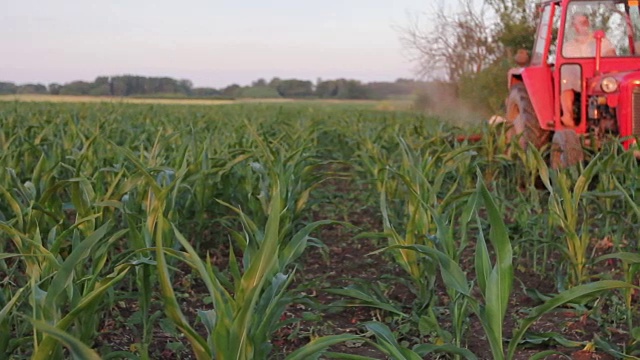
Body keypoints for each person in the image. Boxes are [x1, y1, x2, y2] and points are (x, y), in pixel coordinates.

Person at [560, 13, 616, 127]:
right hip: (578, 80)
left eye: (585, 22)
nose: (583, 26)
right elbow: (567, 66)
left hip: (602, 79)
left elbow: (613, 59)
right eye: (580, 23)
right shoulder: (568, 46)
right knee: (566, 78)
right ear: (574, 26)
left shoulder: (602, 42)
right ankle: (568, 116)